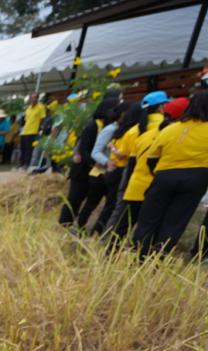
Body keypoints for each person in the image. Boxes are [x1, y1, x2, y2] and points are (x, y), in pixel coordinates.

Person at [132, 91, 208, 256]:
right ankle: (159, 257)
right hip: (196, 179)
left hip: (164, 176)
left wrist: (159, 174)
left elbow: (152, 158)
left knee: (149, 218)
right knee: (175, 222)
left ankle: (139, 254)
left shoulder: (171, 129)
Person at [109, 96, 178, 240]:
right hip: (156, 188)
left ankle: (109, 249)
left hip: (134, 185)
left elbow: (130, 161)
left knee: (121, 224)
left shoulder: (138, 132)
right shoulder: (171, 134)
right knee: (146, 229)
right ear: (161, 107)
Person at [59, 98, 117, 227]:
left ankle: (76, 224)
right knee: (75, 198)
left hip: (92, 170)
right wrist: (96, 163)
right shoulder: (92, 126)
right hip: (82, 170)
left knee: (85, 200)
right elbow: (84, 150)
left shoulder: (105, 126)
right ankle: (64, 223)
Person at [79, 103, 127, 232]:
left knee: (108, 205)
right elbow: (96, 152)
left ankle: (95, 231)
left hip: (110, 174)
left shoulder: (121, 130)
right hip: (100, 173)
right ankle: (79, 227)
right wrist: (107, 162)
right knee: (91, 203)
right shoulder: (110, 129)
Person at [20, 94, 46, 169]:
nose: (33, 99)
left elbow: (42, 119)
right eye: (32, 98)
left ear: (37, 99)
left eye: (35, 98)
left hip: (33, 131)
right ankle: (22, 163)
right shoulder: (28, 108)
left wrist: (40, 129)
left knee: (29, 149)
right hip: (25, 131)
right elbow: (26, 120)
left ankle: (27, 164)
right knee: (23, 148)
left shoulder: (40, 107)